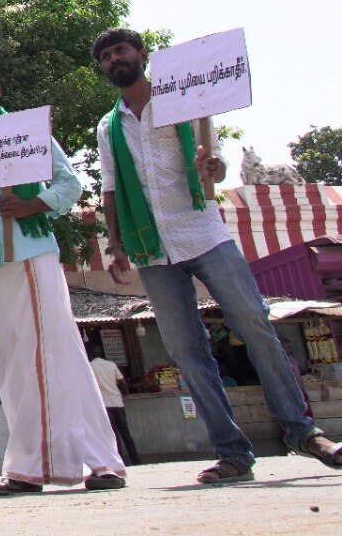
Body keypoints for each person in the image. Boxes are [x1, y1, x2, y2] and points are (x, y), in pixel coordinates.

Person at [93, 28, 342, 482]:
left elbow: (215, 163)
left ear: (142, 55)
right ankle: (232, 454)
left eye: (121, 50)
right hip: (151, 249)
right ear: (103, 68)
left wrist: (215, 169)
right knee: (188, 352)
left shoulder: (183, 102)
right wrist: (116, 243)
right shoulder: (107, 128)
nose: (115, 59)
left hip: (203, 231)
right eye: (106, 56)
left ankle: (303, 432)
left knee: (255, 324)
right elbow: (110, 190)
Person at [0, 59, 125, 494]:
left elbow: (70, 184)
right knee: (12, 365)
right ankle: (103, 463)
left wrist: (31, 205)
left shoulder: (27, 132)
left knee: (47, 358)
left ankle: (31, 468)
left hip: (30, 256)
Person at [88, 344, 141, 466]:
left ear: (90, 355)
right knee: (125, 432)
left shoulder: (90, 367)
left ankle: (120, 461)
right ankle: (136, 459)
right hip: (117, 402)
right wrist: (126, 393)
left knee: (113, 434)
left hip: (104, 404)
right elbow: (122, 382)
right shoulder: (112, 365)